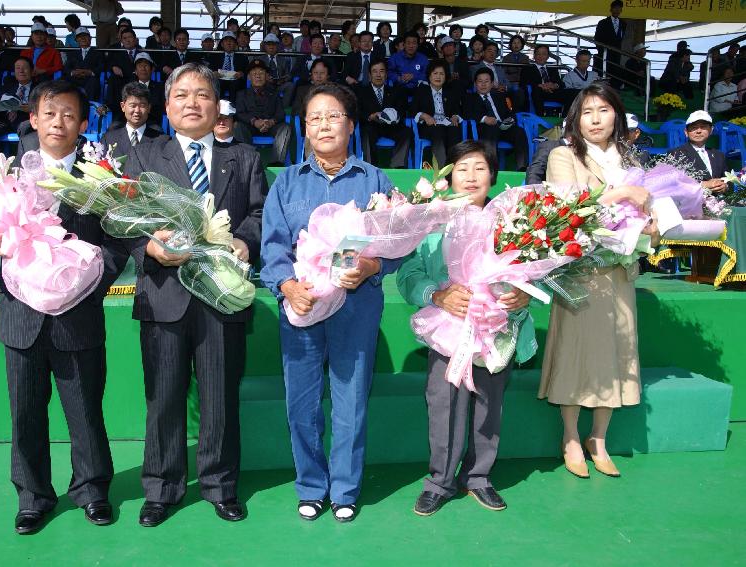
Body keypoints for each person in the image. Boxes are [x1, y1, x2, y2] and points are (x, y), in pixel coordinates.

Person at [0, 81, 121, 535]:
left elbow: (116, 245)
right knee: (26, 412)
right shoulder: (6, 174)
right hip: (22, 318)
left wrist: (85, 280)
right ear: (33, 119)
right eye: (50, 113)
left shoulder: (100, 177)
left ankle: (92, 490)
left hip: (78, 315)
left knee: (86, 409)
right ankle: (33, 496)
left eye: (70, 114)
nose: (59, 122)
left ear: (84, 123)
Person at [128, 62, 265, 527]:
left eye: (202, 94)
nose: (193, 103)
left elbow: (260, 213)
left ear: (217, 105)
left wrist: (246, 240)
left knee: (220, 396)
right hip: (164, 294)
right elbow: (122, 218)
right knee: (163, 396)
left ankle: (220, 485)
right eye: (182, 95)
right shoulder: (145, 157)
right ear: (166, 107)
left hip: (221, 296)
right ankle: (162, 488)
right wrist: (148, 247)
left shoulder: (243, 157)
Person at [260, 82, 399, 523]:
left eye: (333, 115)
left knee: (350, 400)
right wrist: (286, 287)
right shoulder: (286, 182)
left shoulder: (375, 180)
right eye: (315, 117)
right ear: (304, 128)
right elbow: (272, 249)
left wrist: (373, 267)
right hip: (302, 307)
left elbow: (398, 243)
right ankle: (310, 485)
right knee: (301, 402)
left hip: (357, 307)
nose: (324, 124)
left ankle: (344, 489)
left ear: (351, 126)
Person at [398, 140, 533, 515]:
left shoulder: (514, 222)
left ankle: (479, 477)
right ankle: (440, 481)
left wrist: (523, 296)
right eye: (462, 168)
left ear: (492, 175)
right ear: (448, 177)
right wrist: (436, 296)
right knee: (444, 403)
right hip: (448, 328)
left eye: (479, 168)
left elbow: (538, 270)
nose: (471, 176)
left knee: (490, 404)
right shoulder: (430, 221)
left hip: (496, 328)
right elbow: (409, 274)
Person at [542, 82, 657, 479]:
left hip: (621, 273)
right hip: (581, 274)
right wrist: (623, 193)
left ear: (617, 117)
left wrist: (653, 226)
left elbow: (648, 214)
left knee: (616, 353)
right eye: (587, 111)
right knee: (576, 353)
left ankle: (599, 439)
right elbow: (568, 207)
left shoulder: (632, 161)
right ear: (576, 118)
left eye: (603, 110)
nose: (595, 119)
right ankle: (572, 438)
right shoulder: (563, 155)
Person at [464, 67, 528, 171]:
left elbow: (509, 112)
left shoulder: (499, 96)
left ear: (492, 83)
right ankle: (491, 169)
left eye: (486, 81)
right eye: (480, 81)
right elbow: (467, 113)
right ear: (475, 83)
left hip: (503, 127)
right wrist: (484, 119)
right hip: (485, 129)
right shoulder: (470, 98)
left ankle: (522, 167)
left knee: (519, 131)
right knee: (491, 129)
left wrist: (510, 119)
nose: (483, 84)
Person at [234, 59, 292, 165]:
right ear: (249, 77)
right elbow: (240, 113)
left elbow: (280, 114)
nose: (258, 75)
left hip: (270, 126)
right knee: (238, 126)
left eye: (261, 72)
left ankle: (276, 163)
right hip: (250, 126)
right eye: (254, 73)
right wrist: (254, 122)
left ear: (266, 76)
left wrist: (271, 122)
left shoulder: (274, 93)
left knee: (286, 128)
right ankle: (248, 162)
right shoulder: (242, 94)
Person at [355, 59, 411, 169]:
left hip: (392, 126)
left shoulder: (396, 91)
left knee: (407, 132)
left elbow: (402, 109)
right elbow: (357, 111)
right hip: (372, 125)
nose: (378, 75)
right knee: (366, 133)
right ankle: (370, 167)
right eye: (375, 71)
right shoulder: (361, 91)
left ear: (386, 75)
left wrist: (396, 116)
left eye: (381, 71)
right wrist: (370, 116)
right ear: (370, 75)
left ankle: (397, 166)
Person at [411, 59, 464, 167]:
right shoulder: (421, 91)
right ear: (429, 76)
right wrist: (424, 116)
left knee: (455, 130)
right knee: (438, 131)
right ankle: (442, 168)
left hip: (447, 125)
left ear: (446, 76)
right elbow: (412, 111)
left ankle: (454, 166)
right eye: (435, 73)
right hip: (429, 126)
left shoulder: (450, 92)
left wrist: (455, 117)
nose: (438, 77)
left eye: (441, 74)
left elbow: (456, 110)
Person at [100, 82, 166, 159]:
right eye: (133, 106)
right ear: (123, 106)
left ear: (149, 107)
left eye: (142, 106)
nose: (137, 110)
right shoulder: (108, 139)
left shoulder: (161, 140)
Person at [668, 110, 727, 191]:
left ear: (711, 130)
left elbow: (728, 179)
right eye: (694, 128)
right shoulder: (676, 153)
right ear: (686, 132)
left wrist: (725, 186)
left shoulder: (719, 155)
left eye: (703, 127)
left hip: (718, 201)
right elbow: (672, 183)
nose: (698, 131)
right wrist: (703, 184)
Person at [519, 45, 565, 115]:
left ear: (548, 56)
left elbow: (561, 83)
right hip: (539, 92)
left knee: (570, 93)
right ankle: (539, 118)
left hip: (553, 92)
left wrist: (555, 85)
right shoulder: (528, 69)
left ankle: (567, 119)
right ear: (534, 56)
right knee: (536, 91)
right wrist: (541, 86)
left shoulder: (553, 69)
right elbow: (523, 83)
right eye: (538, 54)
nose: (541, 56)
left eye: (544, 54)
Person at [64, 27, 105, 102]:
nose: (83, 38)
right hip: (75, 78)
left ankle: (90, 106)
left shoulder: (98, 52)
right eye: (80, 37)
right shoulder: (72, 53)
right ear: (76, 40)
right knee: (63, 81)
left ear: (90, 38)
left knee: (93, 83)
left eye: (85, 36)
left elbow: (101, 66)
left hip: (90, 78)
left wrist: (90, 72)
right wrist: (73, 72)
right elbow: (66, 67)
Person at [593, 0, 626, 86]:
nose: (617, 10)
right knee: (604, 73)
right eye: (615, 8)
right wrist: (602, 50)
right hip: (604, 53)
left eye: (619, 8)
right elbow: (597, 38)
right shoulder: (603, 22)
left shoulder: (623, 23)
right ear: (611, 9)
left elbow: (620, 38)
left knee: (615, 74)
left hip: (617, 54)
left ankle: (614, 88)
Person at [260, 33, 295, 106]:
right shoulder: (260, 59)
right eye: (269, 44)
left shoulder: (283, 59)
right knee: (264, 85)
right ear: (265, 46)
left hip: (280, 85)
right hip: (266, 84)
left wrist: (283, 80)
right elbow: (255, 74)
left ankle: (283, 109)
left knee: (290, 85)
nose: (271, 47)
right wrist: (265, 78)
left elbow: (289, 75)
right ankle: (266, 109)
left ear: (278, 46)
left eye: (274, 44)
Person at [213, 31, 248, 100]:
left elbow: (246, 70)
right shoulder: (215, 56)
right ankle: (218, 107)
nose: (229, 43)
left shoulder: (242, 57)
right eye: (226, 41)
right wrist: (214, 72)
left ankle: (234, 108)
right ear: (222, 44)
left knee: (236, 84)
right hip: (220, 79)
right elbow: (210, 68)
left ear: (235, 44)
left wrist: (242, 73)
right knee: (217, 83)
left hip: (235, 80)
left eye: (231, 41)